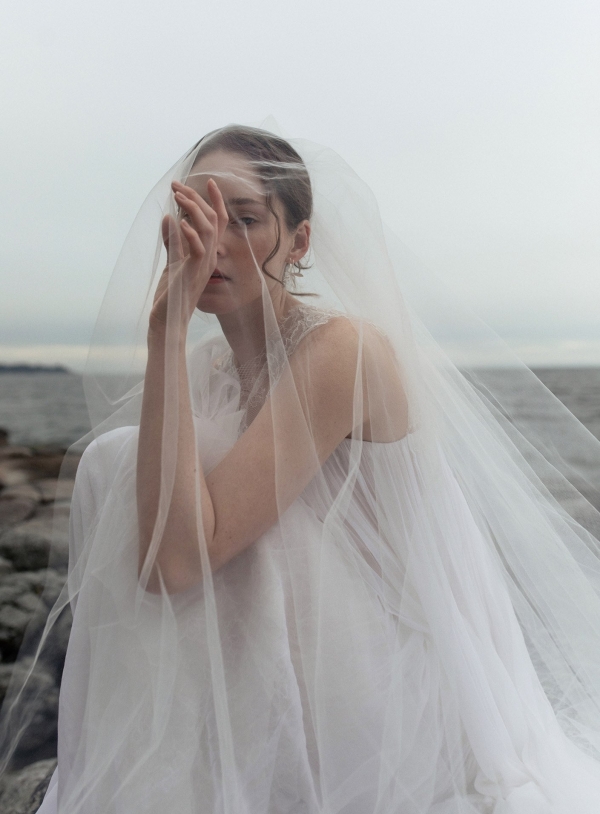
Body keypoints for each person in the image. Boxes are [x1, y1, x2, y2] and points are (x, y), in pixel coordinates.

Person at [4, 124, 600, 813]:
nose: (213, 242)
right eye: (197, 215)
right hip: (284, 658)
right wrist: (169, 341)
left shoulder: (341, 351)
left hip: (382, 672)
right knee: (119, 461)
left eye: (245, 219)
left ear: (300, 241)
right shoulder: (209, 371)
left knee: (146, 471)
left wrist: (165, 329)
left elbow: (178, 564)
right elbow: (162, 561)